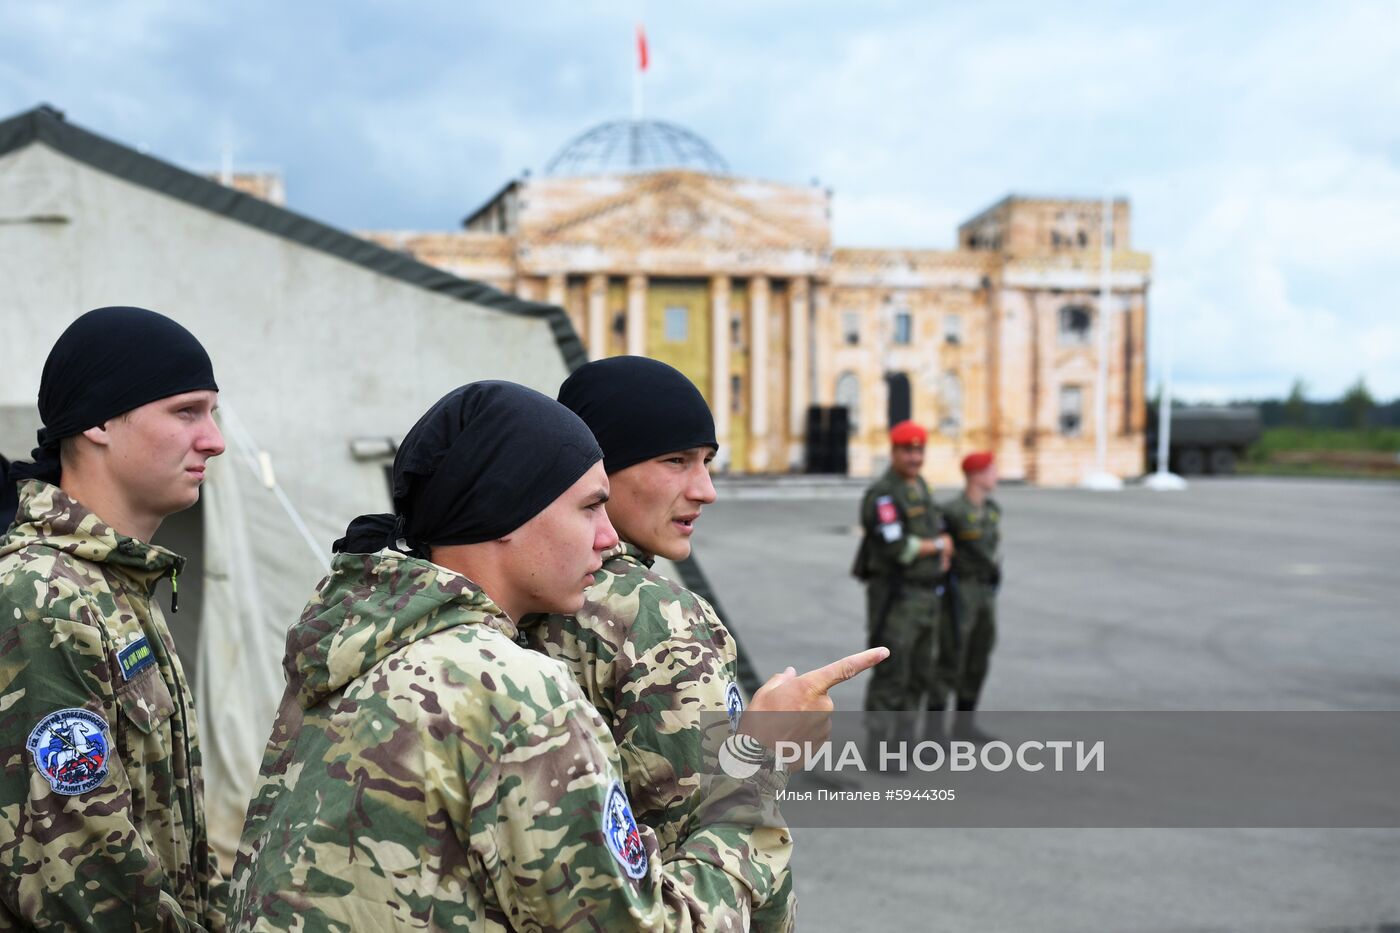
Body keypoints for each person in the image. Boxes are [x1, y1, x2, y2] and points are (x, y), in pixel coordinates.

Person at [227, 381, 885, 930]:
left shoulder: (348, 641)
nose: (608, 540)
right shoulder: (510, 690)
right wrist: (761, 762)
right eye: (590, 507)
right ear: (508, 510)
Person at [525, 356, 794, 930]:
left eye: (707, 461)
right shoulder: (657, 613)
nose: (706, 489)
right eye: (675, 461)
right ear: (595, 470)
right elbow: (721, 822)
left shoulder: (518, 579)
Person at [0, 307, 227, 930]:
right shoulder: (42, 597)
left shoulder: (117, 586)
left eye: (212, 412)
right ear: (97, 422)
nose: (214, 439)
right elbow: (79, 874)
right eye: (186, 412)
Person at [852, 420, 952, 752]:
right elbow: (898, 548)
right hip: (897, 598)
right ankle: (880, 746)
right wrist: (937, 546)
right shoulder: (884, 495)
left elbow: (931, 529)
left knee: (920, 673)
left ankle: (904, 742)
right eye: (907, 450)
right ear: (894, 452)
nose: (914, 457)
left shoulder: (921, 486)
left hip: (927, 597)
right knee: (892, 674)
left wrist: (939, 546)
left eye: (919, 450)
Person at [930, 450, 1003, 742]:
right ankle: (934, 734)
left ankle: (964, 725)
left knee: (979, 657)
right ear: (976, 474)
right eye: (991, 469)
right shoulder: (953, 512)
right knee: (951, 656)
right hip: (961, 592)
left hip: (986, 592)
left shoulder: (993, 509)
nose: (996, 474)